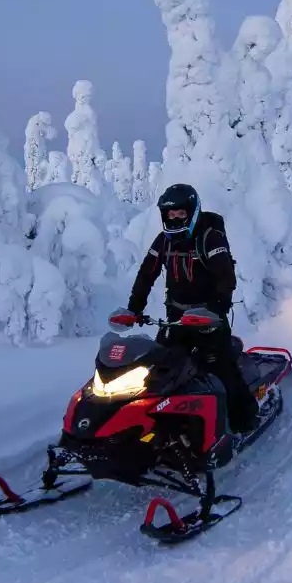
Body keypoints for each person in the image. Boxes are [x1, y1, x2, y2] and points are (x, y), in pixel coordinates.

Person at [111, 183, 261, 436]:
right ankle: (154, 424)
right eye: (170, 214)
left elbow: (226, 276)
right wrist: (134, 308)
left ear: (192, 212)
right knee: (157, 369)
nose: (174, 218)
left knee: (220, 367)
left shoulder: (209, 237)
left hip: (209, 319)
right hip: (176, 319)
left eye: (180, 213)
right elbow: (146, 273)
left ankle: (245, 419)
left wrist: (216, 307)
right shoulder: (164, 241)